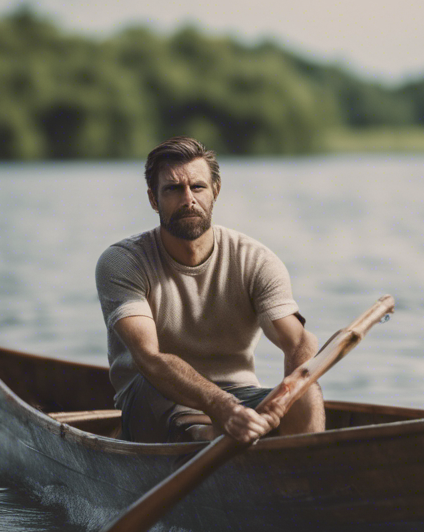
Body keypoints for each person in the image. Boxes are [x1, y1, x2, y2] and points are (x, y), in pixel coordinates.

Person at [95, 136, 325, 447]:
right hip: (154, 399)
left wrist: (290, 391)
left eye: (198, 187)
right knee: (152, 382)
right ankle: (207, 439)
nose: (188, 199)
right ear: (153, 199)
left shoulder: (255, 260)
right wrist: (221, 407)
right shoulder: (123, 262)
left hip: (238, 395)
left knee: (307, 385)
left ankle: (305, 463)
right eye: (173, 189)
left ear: (215, 191)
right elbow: (149, 357)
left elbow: (297, 340)